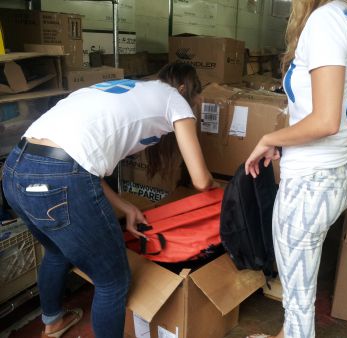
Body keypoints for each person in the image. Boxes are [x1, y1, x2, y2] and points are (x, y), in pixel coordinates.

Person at [1, 63, 214, 338]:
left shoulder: (128, 90)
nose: (195, 105)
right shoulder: (174, 98)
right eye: (196, 98)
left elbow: (83, 162)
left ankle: (52, 323)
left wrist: (125, 207)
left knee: (56, 252)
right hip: (60, 176)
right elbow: (200, 180)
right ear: (184, 88)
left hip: (15, 170)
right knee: (112, 281)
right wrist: (221, 188)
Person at [244, 1, 347, 338]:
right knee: (299, 290)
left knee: (298, 301)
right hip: (338, 169)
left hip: (312, 182)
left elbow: (325, 120)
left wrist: (270, 137)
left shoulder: (326, 20)